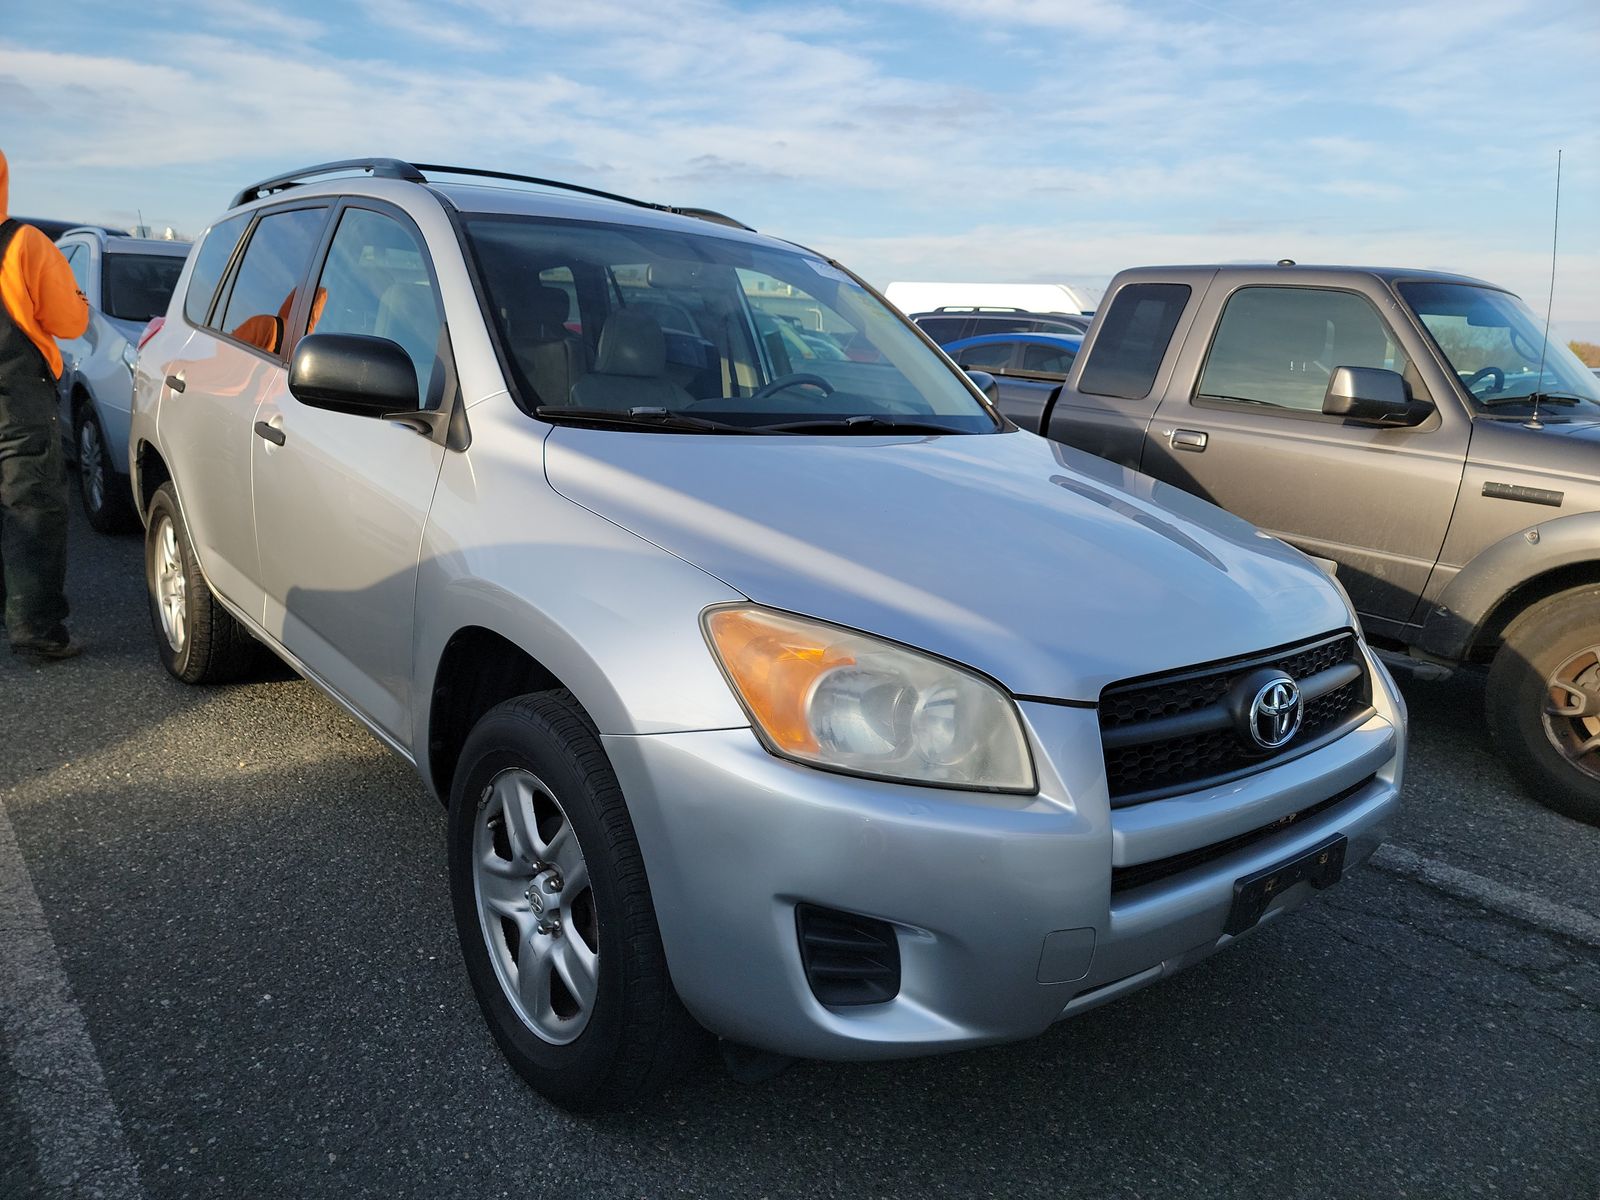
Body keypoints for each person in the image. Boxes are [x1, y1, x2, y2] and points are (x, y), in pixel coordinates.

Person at [0, 148, 89, 659]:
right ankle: (35, 627)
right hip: (16, 402)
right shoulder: (23, 244)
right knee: (31, 508)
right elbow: (71, 323)